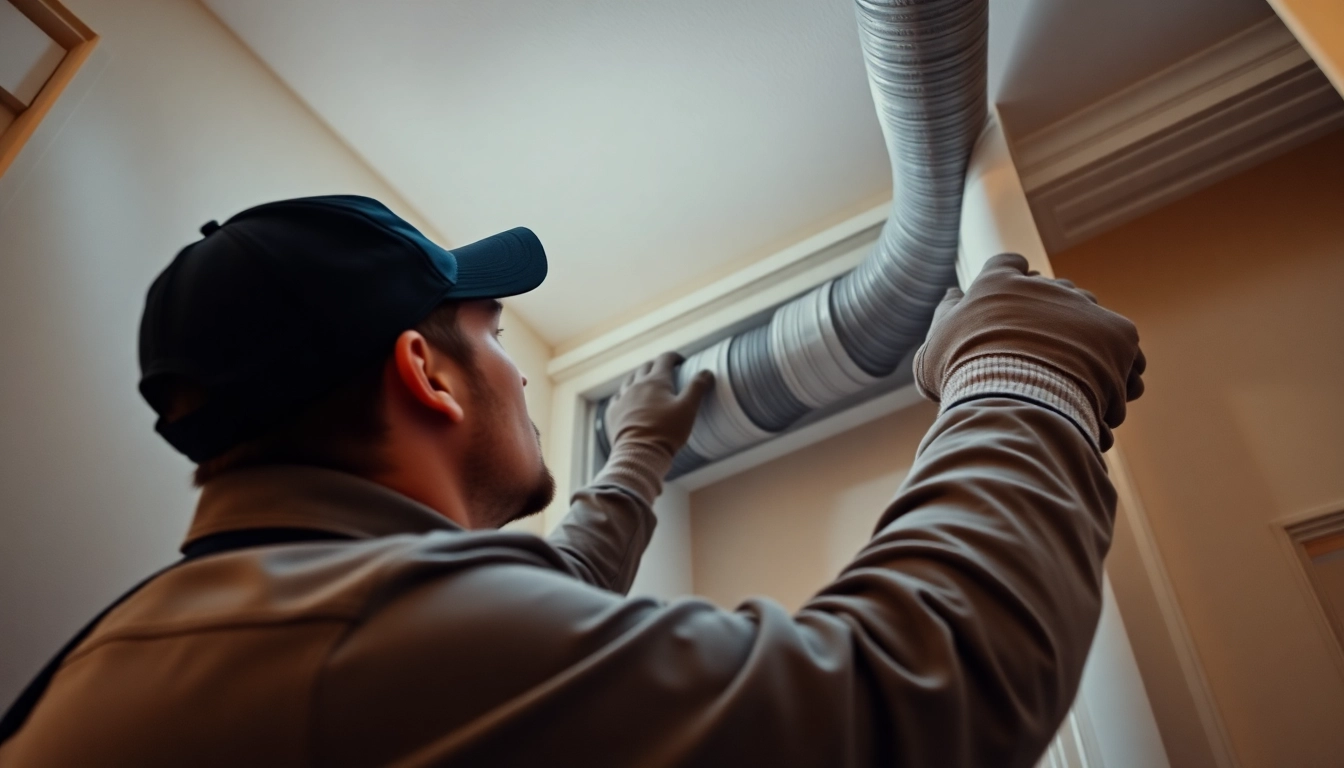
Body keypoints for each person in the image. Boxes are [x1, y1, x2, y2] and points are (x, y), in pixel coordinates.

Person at [0, 195, 1145, 767]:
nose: (510, 362)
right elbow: (905, 696)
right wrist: (1017, 368)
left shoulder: (225, 629)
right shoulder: (346, 647)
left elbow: (536, 596)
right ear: (426, 373)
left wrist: (640, 453)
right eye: (491, 331)